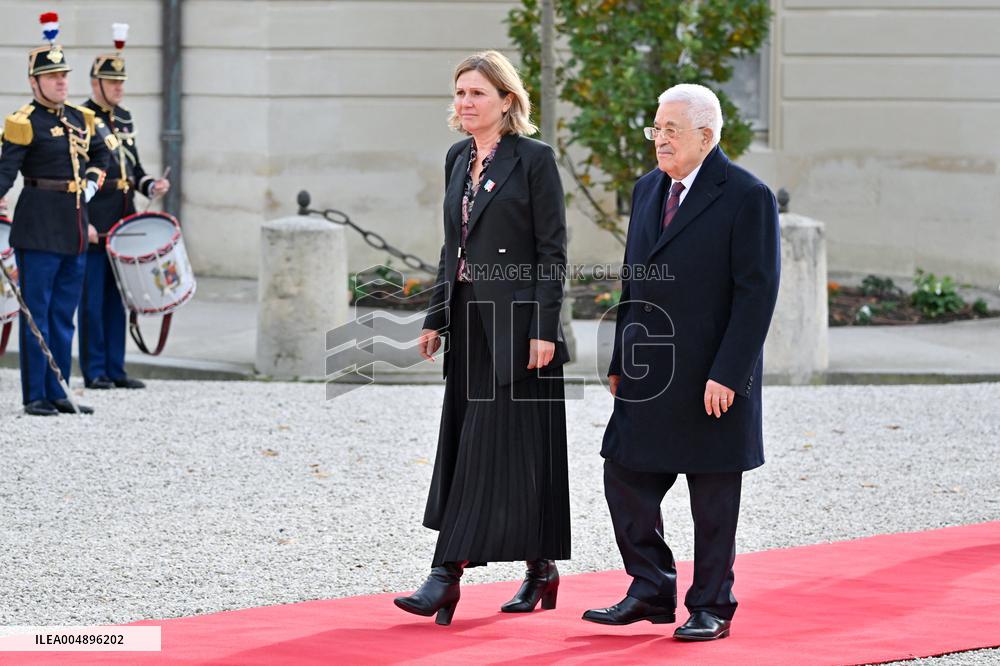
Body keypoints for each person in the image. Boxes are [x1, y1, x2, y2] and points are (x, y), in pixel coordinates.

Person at [582, 84, 780, 641]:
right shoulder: (648, 190)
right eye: (656, 129)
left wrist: (729, 372)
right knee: (623, 475)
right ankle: (650, 588)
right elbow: (634, 280)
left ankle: (712, 604)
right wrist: (622, 357)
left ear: (707, 136)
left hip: (712, 376)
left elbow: (756, 292)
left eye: (671, 129)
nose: (660, 139)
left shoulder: (747, 195)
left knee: (712, 497)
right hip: (650, 373)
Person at [393, 50, 571, 626]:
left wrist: (545, 329)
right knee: (497, 447)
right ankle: (540, 567)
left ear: (508, 101)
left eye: (478, 94)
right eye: (461, 93)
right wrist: (434, 316)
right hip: (468, 320)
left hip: (520, 330)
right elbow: (454, 248)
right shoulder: (456, 158)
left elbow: (553, 252)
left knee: (488, 449)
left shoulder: (534, 160)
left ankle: (445, 575)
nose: (466, 103)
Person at [0, 13, 112, 416]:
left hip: (74, 227)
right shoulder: (22, 122)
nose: (62, 82)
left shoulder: (82, 119)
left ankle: (60, 387)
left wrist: (93, 185)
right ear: (34, 82)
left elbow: (104, 156)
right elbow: (5, 173)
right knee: (38, 313)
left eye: (64, 75)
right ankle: (36, 395)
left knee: (64, 314)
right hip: (38, 226)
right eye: (53, 77)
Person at [79, 23, 169, 390]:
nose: (119, 88)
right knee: (92, 300)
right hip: (96, 217)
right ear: (95, 83)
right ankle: (95, 370)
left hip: (124, 217)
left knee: (120, 298)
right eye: (112, 82)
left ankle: (116, 368)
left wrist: (152, 184)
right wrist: (82, 219)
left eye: (121, 83)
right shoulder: (80, 118)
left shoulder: (125, 118)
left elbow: (134, 167)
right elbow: (79, 176)